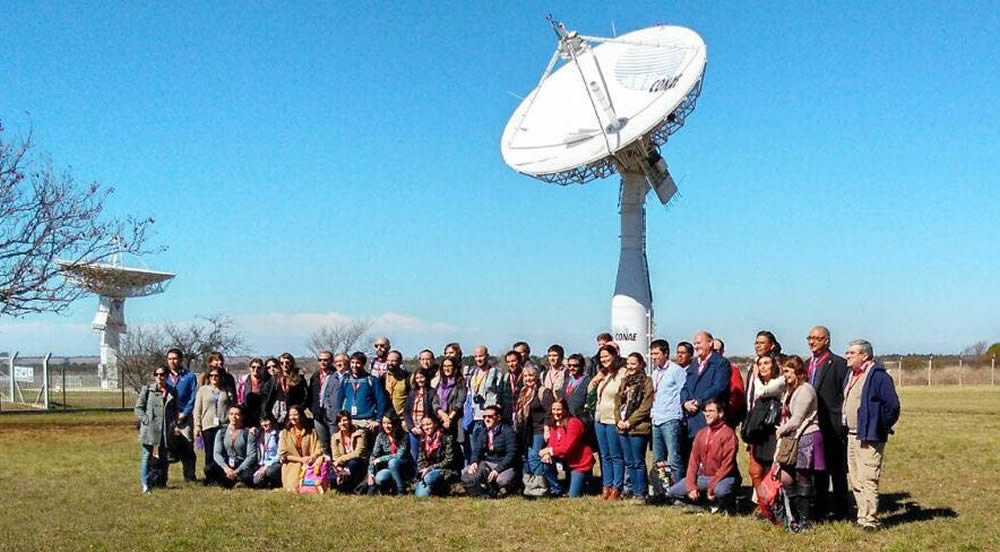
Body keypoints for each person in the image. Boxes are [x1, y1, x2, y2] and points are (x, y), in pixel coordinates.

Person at [843, 339, 900, 532]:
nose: (847, 356)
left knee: (869, 476)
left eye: (852, 353)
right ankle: (862, 515)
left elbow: (892, 406)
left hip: (870, 436)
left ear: (864, 355)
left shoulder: (878, 377)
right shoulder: (851, 375)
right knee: (855, 477)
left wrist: (879, 426)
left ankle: (871, 519)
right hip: (851, 435)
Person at [775, 355, 824, 532]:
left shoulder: (806, 390)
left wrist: (780, 430)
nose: (784, 375)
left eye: (787, 371)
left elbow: (797, 420)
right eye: (783, 371)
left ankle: (805, 520)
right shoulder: (790, 390)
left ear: (798, 371)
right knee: (787, 476)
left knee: (803, 476)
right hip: (792, 437)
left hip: (807, 436)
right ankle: (793, 516)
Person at [806, 326, 850, 520]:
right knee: (818, 469)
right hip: (812, 427)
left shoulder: (839, 364)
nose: (812, 342)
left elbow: (846, 394)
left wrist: (842, 421)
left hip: (832, 425)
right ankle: (821, 507)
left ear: (827, 341)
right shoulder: (807, 364)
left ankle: (842, 509)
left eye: (817, 338)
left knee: (837, 470)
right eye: (810, 338)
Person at [667, 399, 740, 512]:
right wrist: (691, 486)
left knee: (720, 491)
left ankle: (728, 505)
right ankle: (705, 506)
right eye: (705, 411)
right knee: (674, 491)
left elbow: (728, 465)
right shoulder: (701, 434)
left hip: (724, 477)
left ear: (720, 414)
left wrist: (711, 487)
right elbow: (693, 462)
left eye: (711, 411)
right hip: (704, 477)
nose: (707, 414)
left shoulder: (728, 434)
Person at [742, 354, 784, 497]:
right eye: (760, 364)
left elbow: (761, 392)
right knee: (755, 470)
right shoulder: (760, 383)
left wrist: (755, 377)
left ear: (774, 366)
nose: (763, 367)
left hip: (772, 431)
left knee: (769, 467)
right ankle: (761, 502)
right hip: (758, 431)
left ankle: (772, 502)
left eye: (766, 363)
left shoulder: (779, 382)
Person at [615, 352, 654, 502]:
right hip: (622, 426)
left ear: (641, 364)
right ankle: (633, 490)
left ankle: (641, 493)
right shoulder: (625, 381)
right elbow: (617, 403)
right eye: (628, 364)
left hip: (638, 427)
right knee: (629, 461)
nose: (630, 367)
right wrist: (619, 419)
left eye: (633, 363)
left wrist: (630, 422)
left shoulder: (646, 381)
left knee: (638, 461)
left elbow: (645, 406)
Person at [649, 339, 687, 486]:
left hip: (671, 418)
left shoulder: (676, 371)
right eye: (652, 354)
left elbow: (683, 392)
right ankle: (662, 489)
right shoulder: (655, 373)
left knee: (674, 459)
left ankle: (677, 491)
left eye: (656, 353)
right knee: (658, 460)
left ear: (665, 353)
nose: (653, 357)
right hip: (656, 419)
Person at [681, 331, 731, 441]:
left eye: (699, 343)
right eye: (695, 344)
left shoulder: (720, 363)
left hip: (709, 417)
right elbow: (685, 387)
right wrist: (685, 403)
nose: (696, 346)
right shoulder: (693, 365)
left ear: (710, 343)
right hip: (691, 420)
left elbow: (719, 386)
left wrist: (699, 401)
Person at [514, 365, 555, 497]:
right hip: (526, 430)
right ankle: (529, 486)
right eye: (526, 376)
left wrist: (547, 429)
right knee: (526, 458)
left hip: (539, 430)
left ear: (537, 376)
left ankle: (544, 486)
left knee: (534, 457)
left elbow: (550, 412)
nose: (528, 379)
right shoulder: (524, 392)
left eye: (531, 375)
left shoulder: (544, 392)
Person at [540, 399, 594, 498]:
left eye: (559, 409)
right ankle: (556, 489)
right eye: (554, 409)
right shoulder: (554, 424)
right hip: (565, 459)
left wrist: (549, 451)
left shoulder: (573, 423)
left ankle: (588, 481)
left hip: (579, 462)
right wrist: (547, 453)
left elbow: (567, 448)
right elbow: (552, 443)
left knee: (573, 496)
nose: (556, 412)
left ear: (565, 410)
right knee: (546, 463)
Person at [135, 366, 177, 493]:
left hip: (165, 430)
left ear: (167, 376)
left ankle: (161, 482)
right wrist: (146, 420)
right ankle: (145, 484)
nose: (160, 377)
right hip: (150, 430)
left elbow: (175, 409)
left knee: (164, 457)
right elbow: (138, 408)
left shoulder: (172, 391)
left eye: (163, 374)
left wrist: (173, 424)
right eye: (157, 374)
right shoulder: (147, 390)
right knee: (147, 456)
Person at [591, 344, 626, 500]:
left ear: (615, 356)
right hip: (600, 418)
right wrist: (596, 379)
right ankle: (606, 485)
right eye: (602, 357)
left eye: (607, 356)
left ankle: (617, 488)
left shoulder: (622, 373)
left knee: (615, 455)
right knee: (604, 456)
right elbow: (590, 390)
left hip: (613, 419)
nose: (604, 360)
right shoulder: (603, 374)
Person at [462, 404, 519, 498]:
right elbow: (477, 451)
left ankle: (510, 488)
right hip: (488, 463)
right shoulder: (484, 432)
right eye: (484, 417)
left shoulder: (508, 432)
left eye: (490, 416)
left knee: (501, 480)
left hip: (505, 465)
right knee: (466, 471)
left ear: (498, 417)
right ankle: (488, 491)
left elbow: (511, 454)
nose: (486, 419)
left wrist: (497, 470)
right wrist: (474, 462)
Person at [462, 345, 501, 463]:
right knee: (475, 450)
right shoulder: (473, 372)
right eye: (476, 356)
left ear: (487, 356)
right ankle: (474, 475)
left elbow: (499, 394)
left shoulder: (495, 373)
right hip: (474, 417)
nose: (479, 359)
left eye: (481, 356)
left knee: (489, 449)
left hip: (488, 417)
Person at [193, 367, 232, 483]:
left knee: (222, 452)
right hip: (208, 426)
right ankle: (210, 477)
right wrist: (197, 425)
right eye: (211, 376)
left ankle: (221, 476)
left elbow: (231, 407)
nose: (214, 378)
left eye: (217, 376)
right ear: (208, 377)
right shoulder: (203, 390)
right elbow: (197, 409)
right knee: (210, 452)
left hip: (223, 426)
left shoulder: (226, 390)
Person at [165, 348, 198, 482]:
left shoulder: (189, 376)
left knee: (187, 446)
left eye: (175, 358)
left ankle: (189, 476)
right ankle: (162, 476)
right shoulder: (164, 376)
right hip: (168, 417)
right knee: (166, 446)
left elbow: (193, 396)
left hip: (185, 416)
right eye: (170, 359)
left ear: (181, 360)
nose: (172, 361)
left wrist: (185, 413)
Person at [278, 405, 323, 492]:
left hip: (310, 463)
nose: (293, 417)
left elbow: (318, 449)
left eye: (295, 415)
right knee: (293, 487)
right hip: (293, 463)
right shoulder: (285, 433)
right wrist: (301, 460)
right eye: (290, 415)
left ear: (301, 415)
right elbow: (283, 454)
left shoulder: (311, 431)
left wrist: (312, 457)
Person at [338, 351, 387, 431]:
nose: (354, 366)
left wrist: (378, 420)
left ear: (363, 364)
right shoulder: (346, 380)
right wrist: (340, 418)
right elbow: (339, 400)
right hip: (349, 421)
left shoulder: (372, 380)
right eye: (352, 362)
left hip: (367, 421)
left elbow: (381, 401)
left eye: (358, 363)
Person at [210, 405, 258, 488]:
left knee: (247, 476)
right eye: (231, 414)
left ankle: (237, 480)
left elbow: (251, 456)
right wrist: (226, 468)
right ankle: (229, 480)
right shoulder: (221, 432)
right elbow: (217, 453)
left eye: (237, 414)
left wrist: (237, 471)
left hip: (242, 465)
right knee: (209, 469)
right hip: (228, 464)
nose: (233, 417)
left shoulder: (248, 433)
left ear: (242, 416)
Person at [433, 356, 468, 463]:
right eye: (445, 366)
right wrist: (442, 415)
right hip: (441, 420)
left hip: (456, 419)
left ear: (454, 367)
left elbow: (460, 401)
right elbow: (435, 402)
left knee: (461, 446)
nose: (447, 368)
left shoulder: (460, 382)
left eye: (449, 366)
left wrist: (449, 417)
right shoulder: (440, 383)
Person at [367, 413, 412, 495]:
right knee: (380, 478)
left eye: (389, 423)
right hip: (388, 467)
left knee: (393, 462)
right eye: (384, 423)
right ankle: (389, 488)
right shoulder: (381, 436)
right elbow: (374, 455)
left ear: (395, 423)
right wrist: (370, 473)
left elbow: (399, 455)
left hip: (404, 466)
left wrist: (381, 459)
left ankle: (401, 490)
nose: (386, 426)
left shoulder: (404, 435)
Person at [414, 415, 459, 497]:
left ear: (435, 424)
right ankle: (434, 489)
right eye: (423, 425)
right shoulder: (423, 439)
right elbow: (420, 459)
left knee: (429, 478)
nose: (426, 427)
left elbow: (449, 460)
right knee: (419, 496)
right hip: (427, 471)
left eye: (428, 424)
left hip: (445, 470)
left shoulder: (446, 437)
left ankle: (444, 487)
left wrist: (430, 469)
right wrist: (422, 470)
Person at [330, 410, 369, 493]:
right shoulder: (335, 437)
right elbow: (335, 456)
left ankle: (344, 479)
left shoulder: (360, 433)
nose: (342, 423)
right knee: (331, 478)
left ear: (350, 421)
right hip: (342, 466)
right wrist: (339, 467)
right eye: (339, 421)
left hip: (359, 463)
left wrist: (340, 460)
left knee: (353, 462)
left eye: (345, 420)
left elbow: (358, 453)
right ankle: (342, 479)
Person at [712, 338, 747, 429]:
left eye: (716, 350)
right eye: (711, 350)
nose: (713, 353)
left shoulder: (731, 369)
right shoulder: (703, 369)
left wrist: (728, 412)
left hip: (725, 417)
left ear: (722, 351)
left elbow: (737, 394)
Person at [308, 350, 337, 453]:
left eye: (326, 360)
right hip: (318, 415)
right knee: (323, 444)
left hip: (333, 415)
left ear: (331, 361)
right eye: (320, 360)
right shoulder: (315, 376)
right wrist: (314, 410)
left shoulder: (337, 375)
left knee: (335, 444)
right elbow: (310, 395)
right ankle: (326, 467)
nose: (323, 362)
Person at [404, 367, 435, 463]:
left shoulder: (432, 392)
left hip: (426, 428)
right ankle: (415, 475)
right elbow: (406, 411)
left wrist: (423, 428)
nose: (419, 380)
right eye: (417, 378)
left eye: (421, 377)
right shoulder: (412, 392)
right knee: (414, 454)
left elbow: (432, 412)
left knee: (426, 453)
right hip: (413, 428)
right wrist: (411, 427)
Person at [270, 353, 308, 425]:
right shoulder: (275, 379)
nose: (284, 365)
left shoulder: (299, 378)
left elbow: (306, 395)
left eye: (287, 362)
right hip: (278, 413)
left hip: (294, 413)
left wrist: (300, 408)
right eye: (282, 363)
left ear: (291, 363)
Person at [237, 358, 270, 428]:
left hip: (261, 414)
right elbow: (239, 397)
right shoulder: (243, 381)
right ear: (249, 368)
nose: (256, 369)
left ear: (262, 368)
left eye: (258, 367)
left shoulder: (266, 382)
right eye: (253, 367)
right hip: (246, 413)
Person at [253, 415, 282, 488]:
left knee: (270, 471)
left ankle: (276, 482)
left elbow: (279, 455)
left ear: (272, 421)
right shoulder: (259, 434)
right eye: (262, 422)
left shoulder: (279, 434)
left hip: (274, 463)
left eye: (266, 421)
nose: (264, 424)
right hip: (261, 464)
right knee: (256, 481)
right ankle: (265, 482)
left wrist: (266, 466)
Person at [562, 353, 592, 420]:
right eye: (569, 365)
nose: (572, 368)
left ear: (582, 366)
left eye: (575, 365)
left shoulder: (588, 381)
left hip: (580, 418)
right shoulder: (567, 380)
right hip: (566, 417)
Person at [498, 350, 525, 424]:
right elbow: (499, 396)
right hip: (507, 415)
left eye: (513, 361)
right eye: (508, 362)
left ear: (519, 361)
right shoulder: (505, 377)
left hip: (523, 414)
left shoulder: (526, 376)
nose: (511, 364)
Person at [384, 350, 410, 417]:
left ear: (400, 362)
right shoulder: (383, 378)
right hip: (387, 417)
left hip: (402, 417)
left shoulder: (408, 377)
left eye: (393, 361)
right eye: (388, 360)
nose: (390, 363)